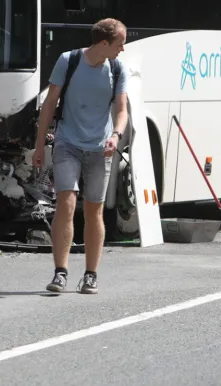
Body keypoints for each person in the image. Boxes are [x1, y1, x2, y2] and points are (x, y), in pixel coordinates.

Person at [33, 18, 129, 294]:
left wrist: (116, 135)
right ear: (104, 43)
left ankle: (90, 274)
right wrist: (40, 146)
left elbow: (121, 110)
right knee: (66, 202)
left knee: (93, 209)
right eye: (120, 43)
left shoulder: (117, 68)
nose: (123, 49)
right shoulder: (69, 60)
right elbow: (50, 103)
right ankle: (60, 273)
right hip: (67, 143)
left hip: (101, 147)